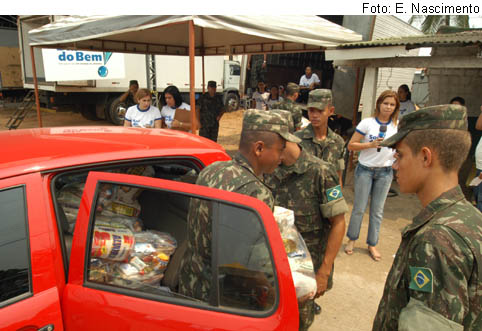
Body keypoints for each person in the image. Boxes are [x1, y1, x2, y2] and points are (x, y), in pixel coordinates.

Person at [372, 104, 482, 331]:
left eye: (400, 155)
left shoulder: (436, 240)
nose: (395, 166)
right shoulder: (470, 217)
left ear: (425, 157)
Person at [178, 109, 301, 302]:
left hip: (190, 284)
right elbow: (245, 268)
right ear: (259, 148)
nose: (282, 157)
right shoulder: (256, 194)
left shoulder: (212, 170)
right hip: (220, 299)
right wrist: (277, 294)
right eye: (280, 149)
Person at [265, 110, 348, 331]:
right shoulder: (267, 170)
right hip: (269, 268)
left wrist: (324, 272)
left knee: (298, 324)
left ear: (282, 142)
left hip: (304, 273)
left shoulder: (321, 173)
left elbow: (338, 223)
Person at [345, 90, 400, 261]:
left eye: (392, 105)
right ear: (379, 104)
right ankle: (352, 239)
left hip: (385, 172)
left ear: (396, 107)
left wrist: (399, 154)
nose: (388, 107)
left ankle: (372, 244)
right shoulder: (367, 123)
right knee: (359, 208)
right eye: (385, 103)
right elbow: (351, 146)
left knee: (377, 211)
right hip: (365, 170)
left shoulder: (397, 126)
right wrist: (369, 145)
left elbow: (401, 147)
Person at [295, 89, 345, 187]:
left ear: (331, 111)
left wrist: (337, 200)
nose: (314, 115)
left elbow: (338, 176)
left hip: (328, 197)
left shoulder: (338, 142)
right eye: (311, 110)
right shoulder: (296, 140)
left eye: (320, 111)